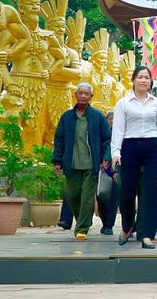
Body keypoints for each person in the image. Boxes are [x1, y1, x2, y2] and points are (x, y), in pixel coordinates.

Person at [111, 66, 157, 249]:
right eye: (140, 77)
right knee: (127, 190)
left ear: (151, 81)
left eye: (147, 78)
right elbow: (118, 130)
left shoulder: (156, 103)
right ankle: (128, 226)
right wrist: (116, 153)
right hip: (130, 146)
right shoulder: (123, 103)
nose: (144, 80)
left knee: (150, 192)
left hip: (152, 147)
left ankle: (146, 234)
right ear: (133, 80)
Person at [52, 83, 112, 240]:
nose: (83, 96)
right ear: (75, 95)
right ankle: (83, 220)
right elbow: (59, 139)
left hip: (91, 165)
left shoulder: (98, 117)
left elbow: (107, 139)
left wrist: (104, 158)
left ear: (91, 96)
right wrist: (57, 161)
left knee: (87, 198)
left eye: (87, 93)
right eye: (81, 93)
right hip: (71, 164)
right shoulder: (67, 117)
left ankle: (82, 229)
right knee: (71, 196)